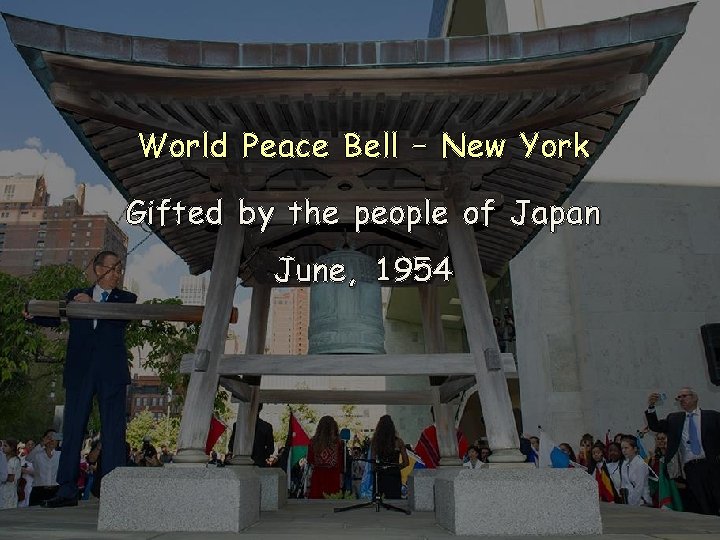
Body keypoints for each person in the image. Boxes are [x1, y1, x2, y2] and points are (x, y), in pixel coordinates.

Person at [25, 250, 137, 507]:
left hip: (112, 372)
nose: (118, 273)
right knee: (73, 428)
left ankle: (113, 489)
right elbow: (56, 314)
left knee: (113, 430)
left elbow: (118, 317)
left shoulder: (127, 298)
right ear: (98, 270)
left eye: (120, 269)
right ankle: (66, 489)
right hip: (80, 370)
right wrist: (33, 315)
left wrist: (91, 304)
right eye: (113, 268)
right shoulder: (75, 294)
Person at [646, 388, 720, 514]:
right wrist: (651, 407)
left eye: (684, 396)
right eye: (678, 397)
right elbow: (655, 426)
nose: (681, 399)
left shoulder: (712, 416)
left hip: (712, 464)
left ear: (694, 398)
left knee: (716, 496)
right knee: (701, 503)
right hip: (691, 467)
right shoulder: (674, 419)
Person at [371, 415, 409, 499]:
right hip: (394, 476)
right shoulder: (399, 442)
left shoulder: (375, 442)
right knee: (394, 503)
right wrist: (396, 468)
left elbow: (373, 463)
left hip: (380, 475)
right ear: (392, 427)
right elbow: (406, 462)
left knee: (378, 504)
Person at [307, 416, 344, 499]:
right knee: (332, 503)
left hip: (318, 478)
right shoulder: (338, 443)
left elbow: (310, 460)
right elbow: (340, 463)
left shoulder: (313, 442)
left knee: (317, 505)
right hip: (333, 477)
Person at [26, 429, 60, 506]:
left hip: (55, 490)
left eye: (54, 438)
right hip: (39, 490)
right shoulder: (37, 454)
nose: (51, 440)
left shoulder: (60, 454)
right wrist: (41, 444)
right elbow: (28, 458)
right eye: (49, 437)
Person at [1, 438, 21, 509]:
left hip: (10, 490)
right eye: (2, 445)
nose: (3, 447)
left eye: (5, 446)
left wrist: (4, 476)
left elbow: (13, 478)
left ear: (12, 448)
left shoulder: (15, 461)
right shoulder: (2, 458)